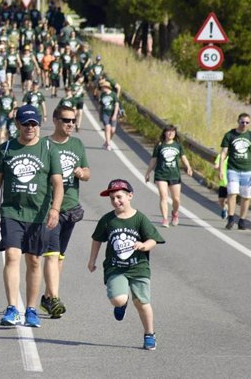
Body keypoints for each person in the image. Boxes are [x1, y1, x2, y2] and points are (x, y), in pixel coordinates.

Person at [0, 105, 64, 327]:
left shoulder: (49, 149)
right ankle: (12, 308)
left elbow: (58, 184)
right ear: (17, 124)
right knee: (12, 256)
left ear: (38, 125)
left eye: (34, 123)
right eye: (25, 123)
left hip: (38, 214)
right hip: (12, 211)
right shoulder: (6, 149)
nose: (30, 127)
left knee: (33, 260)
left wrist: (55, 209)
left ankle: (31, 309)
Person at [88, 179, 165, 351]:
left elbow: (153, 239)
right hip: (115, 267)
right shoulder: (108, 220)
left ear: (130, 196)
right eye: (112, 198)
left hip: (138, 267)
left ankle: (149, 334)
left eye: (119, 197)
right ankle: (122, 304)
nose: (116, 201)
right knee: (118, 299)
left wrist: (144, 245)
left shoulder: (139, 218)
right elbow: (97, 239)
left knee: (142, 303)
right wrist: (92, 260)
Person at [43, 106, 90, 318]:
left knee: (60, 256)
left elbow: (88, 172)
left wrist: (82, 172)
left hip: (71, 206)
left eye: (73, 120)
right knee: (51, 254)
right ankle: (54, 298)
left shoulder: (77, 144)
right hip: (50, 207)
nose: (71, 124)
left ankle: (48, 296)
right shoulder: (44, 144)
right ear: (55, 120)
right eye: (66, 120)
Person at [144, 125, 193, 227]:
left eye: (173, 132)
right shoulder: (159, 145)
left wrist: (188, 167)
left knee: (176, 199)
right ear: (164, 133)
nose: (171, 133)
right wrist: (148, 172)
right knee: (164, 196)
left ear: (175, 134)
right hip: (161, 174)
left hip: (174, 175)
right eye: (169, 131)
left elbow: (183, 157)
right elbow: (154, 160)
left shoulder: (177, 145)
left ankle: (175, 213)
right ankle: (165, 219)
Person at [220, 113, 251, 230]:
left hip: (248, 171)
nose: (244, 124)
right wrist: (221, 170)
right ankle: (231, 218)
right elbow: (223, 153)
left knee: (246, 196)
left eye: (247, 122)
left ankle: (242, 220)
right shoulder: (230, 135)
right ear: (238, 121)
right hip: (233, 170)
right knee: (232, 194)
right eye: (242, 122)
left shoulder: (250, 136)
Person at [98, 81, 119, 150]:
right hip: (105, 113)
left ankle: (107, 142)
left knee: (112, 130)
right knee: (107, 127)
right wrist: (100, 115)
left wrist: (115, 115)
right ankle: (108, 144)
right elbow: (100, 105)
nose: (102, 89)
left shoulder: (113, 95)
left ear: (107, 87)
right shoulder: (102, 95)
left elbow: (116, 105)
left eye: (103, 87)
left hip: (112, 113)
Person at [214, 154, 228, 219]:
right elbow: (215, 166)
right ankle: (224, 208)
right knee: (221, 200)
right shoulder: (220, 156)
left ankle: (229, 214)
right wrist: (220, 167)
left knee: (229, 199)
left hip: (230, 181)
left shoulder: (232, 157)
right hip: (222, 182)